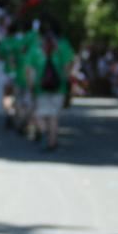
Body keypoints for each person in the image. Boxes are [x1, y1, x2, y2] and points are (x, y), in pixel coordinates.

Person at [24, 20, 73, 152]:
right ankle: (52, 141)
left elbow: (29, 69)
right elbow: (69, 65)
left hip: (42, 88)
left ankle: (44, 133)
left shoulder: (36, 48)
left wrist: (30, 86)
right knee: (54, 116)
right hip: (59, 87)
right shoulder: (63, 46)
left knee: (39, 114)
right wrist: (65, 80)